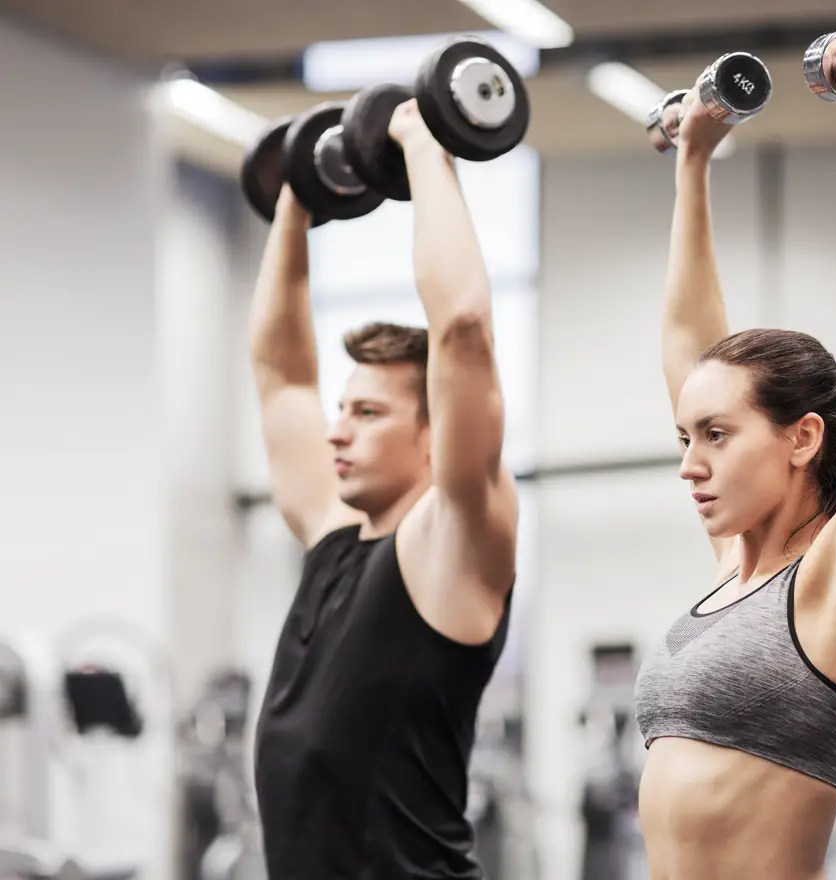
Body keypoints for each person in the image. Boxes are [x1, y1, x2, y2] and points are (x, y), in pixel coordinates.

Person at [632, 28, 836, 880]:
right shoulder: (735, 567)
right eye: (686, 438)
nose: (690, 463)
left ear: (804, 437)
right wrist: (693, 163)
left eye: (717, 437)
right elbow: (690, 347)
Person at [249, 100, 519, 879]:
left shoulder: (453, 543)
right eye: (343, 410)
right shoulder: (333, 532)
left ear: (436, 434)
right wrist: (297, 198)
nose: (337, 432)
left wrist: (425, 145)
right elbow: (279, 375)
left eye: (367, 414)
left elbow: (463, 327)